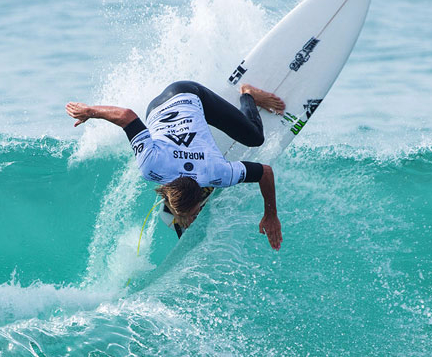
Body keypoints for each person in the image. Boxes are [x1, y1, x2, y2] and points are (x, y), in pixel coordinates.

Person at [66, 80, 286, 250]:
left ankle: (248, 94)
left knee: (255, 138)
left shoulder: (217, 171)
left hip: (189, 94)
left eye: (192, 214)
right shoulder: (152, 166)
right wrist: (89, 112)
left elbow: (265, 172)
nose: (191, 219)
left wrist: (270, 214)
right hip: (157, 109)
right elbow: (126, 116)